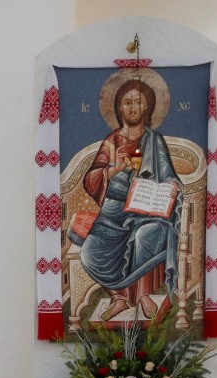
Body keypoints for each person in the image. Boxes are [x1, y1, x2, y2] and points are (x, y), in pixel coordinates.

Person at [79, 77, 181, 324]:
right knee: (89, 252)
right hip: (113, 213)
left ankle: (144, 295)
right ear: (119, 108)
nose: (133, 107)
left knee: (145, 236)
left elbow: (168, 174)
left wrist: (172, 185)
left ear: (147, 107)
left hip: (146, 209)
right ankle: (119, 298)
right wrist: (113, 170)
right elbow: (90, 179)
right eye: (127, 102)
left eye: (138, 102)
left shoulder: (154, 141)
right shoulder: (112, 142)